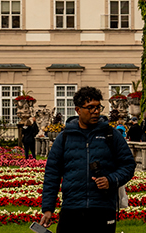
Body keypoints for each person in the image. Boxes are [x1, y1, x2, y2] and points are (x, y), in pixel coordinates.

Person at [39, 87, 135, 233]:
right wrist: (47, 209)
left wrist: (110, 180)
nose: (95, 111)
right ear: (78, 110)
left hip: (103, 208)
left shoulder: (111, 135)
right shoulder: (64, 138)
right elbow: (52, 174)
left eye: (98, 107)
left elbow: (128, 165)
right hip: (72, 208)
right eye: (90, 108)